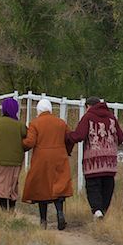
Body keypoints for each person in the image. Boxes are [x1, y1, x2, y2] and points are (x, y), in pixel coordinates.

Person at [67, 96, 123, 219]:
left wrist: (67, 136)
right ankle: (102, 212)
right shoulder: (111, 117)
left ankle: (97, 211)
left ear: (88, 106)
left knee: (93, 186)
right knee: (107, 187)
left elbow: (79, 136)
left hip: (93, 162)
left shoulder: (88, 117)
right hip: (110, 162)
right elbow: (121, 138)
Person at [22, 98, 74, 230]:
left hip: (42, 158)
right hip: (59, 157)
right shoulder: (61, 123)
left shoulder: (35, 123)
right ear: (50, 109)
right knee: (59, 186)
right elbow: (69, 138)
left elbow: (30, 142)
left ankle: (43, 220)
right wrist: (66, 151)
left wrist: (20, 145)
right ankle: (60, 213)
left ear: (38, 110)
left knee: (42, 189)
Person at [0, 97, 27, 211]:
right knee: (12, 186)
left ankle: (3, 210)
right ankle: (12, 210)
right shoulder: (20, 125)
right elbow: (26, 138)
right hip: (15, 161)